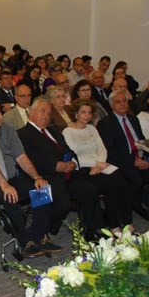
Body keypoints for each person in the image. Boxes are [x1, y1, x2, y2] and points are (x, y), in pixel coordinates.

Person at [0, 100, 61, 258]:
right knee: (9, 196)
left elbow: (21, 157)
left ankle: (39, 236)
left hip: (10, 177)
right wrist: (4, 185)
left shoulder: (9, 130)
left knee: (42, 191)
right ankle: (25, 242)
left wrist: (37, 177)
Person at [18, 98, 103, 240]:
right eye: (42, 111)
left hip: (66, 175)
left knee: (90, 190)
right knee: (63, 204)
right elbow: (29, 160)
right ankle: (47, 227)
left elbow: (68, 150)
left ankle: (91, 232)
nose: (46, 115)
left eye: (49, 112)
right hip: (45, 177)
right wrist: (55, 166)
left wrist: (72, 162)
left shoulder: (53, 131)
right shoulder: (22, 134)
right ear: (31, 113)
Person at [97, 90, 149, 221]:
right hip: (121, 162)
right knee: (137, 180)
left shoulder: (133, 119)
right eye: (118, 102)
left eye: (124, 101)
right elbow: (110, 152)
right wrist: (133, 161)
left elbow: (142, 141)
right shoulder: (105, 123)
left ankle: (141, 200)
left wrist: (148, 157)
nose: (122, 104)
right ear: (111, 105)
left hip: (140, 158)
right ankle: (136, 207)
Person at [63, 99, 134, 234]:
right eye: (83, 112)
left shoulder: (92, 128)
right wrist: (95, 164)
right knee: (111, 187)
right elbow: (74, 157)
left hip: (100, 165)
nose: (87, 115)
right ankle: (115, 226)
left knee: (124, 185)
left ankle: (127, 222)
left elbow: (103, 149)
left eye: (89, 113)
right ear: (76, 114)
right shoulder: (68, 132)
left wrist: (100, 164)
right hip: (83, 169)